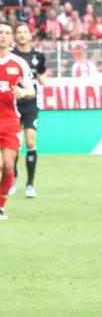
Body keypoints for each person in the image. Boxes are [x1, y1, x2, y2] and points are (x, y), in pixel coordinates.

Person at [0, 21, 36, 220]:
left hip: (10, 122)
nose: (3, 36)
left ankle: (0, 207)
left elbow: (32, 90)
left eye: (7, 33)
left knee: (8, 165)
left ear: (11, 37)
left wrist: (23, 92)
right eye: (0, 32)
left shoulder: (19, 63)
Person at [9, 23, 46, 198]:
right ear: (15, 36)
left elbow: (41, 75)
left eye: (25, 32)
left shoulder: (38, 56)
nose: (22, 35)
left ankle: (30, 184)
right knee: (14, 145)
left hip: (31, 103)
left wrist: (41, 79)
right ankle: (14, 176)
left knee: (30, 142)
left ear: (30, 35)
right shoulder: (10, 56)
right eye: (19, 32)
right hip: (13, 104)